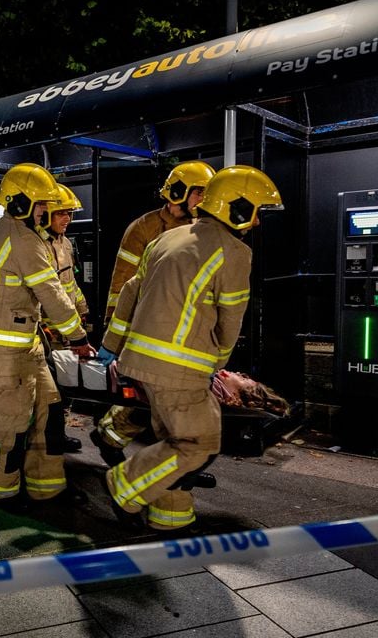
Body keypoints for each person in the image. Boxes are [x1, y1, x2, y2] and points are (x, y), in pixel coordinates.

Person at [99, 165, 282, 533]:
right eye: (257, 212)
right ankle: (124, 486)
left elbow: (130, 293)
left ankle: (170, 517)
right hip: (178, 367)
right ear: (239, 209)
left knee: (173, 438)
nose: (258, 223)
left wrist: (112, 345)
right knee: (197, 443)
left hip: (139, 359)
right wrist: (217, 362)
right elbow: (231, 318)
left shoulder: (167, 239)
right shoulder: (236, 252)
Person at [0, 162, 93, 508]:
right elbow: (50, 290)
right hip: (2, 351)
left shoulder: (7, 234)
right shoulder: (19, 238)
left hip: (24, 345)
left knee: (49, 412)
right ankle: (0, 491)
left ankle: (46, 486)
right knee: (12, 427)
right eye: (41, 205)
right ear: (20, 203)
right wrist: (78, 337)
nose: (45, 212)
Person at [91, 161, 216, 467]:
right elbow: (124, 284)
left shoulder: (206, 229)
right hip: (148, 328)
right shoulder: (144, 229)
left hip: (185, 329)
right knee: (156, 396)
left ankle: (124, 442)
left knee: (167, 399)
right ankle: (162, 464)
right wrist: (115, 335)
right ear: (180, 193)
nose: (204, 200)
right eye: (200, 193)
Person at [38, 183, 89, 453]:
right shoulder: (38, 245)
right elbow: (47, 293)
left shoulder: (65, 243)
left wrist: (82, 308)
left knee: (63, 387)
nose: (67, 219)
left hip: (66, 328)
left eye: (70, 213)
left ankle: (57, 434)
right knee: (52, 390)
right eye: (61, 213)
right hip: (48, 331)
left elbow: (69, 285)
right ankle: (51, 438)